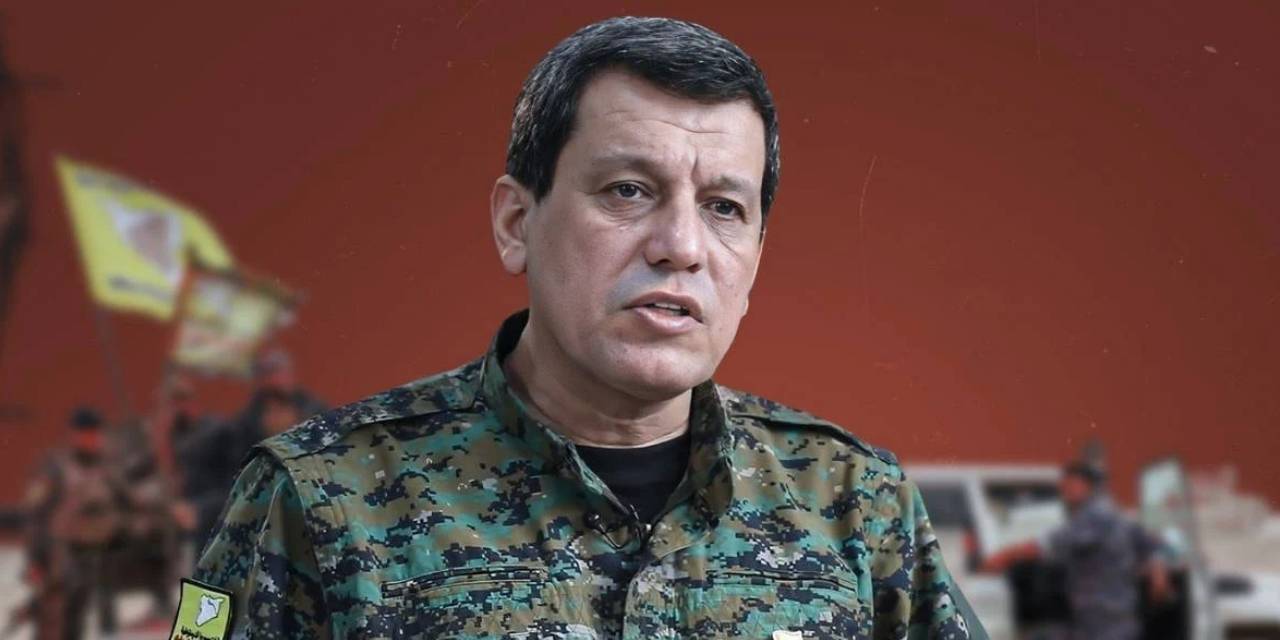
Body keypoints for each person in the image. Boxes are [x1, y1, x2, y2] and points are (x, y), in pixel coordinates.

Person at [185, 17, 985, 639]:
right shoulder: (319, 499)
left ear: (755, 260)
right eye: (629, 190)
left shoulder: (857, 504)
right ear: (516, 223)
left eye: (724, 208)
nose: (681, 246)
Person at [981, 460, 1170, 640]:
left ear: (1088, 486)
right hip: (1107, 620)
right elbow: (1152, 547)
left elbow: (1049, 544)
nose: (1066, 491)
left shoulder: (1095, 516)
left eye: (1072, 486)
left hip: (1105, 622)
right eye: (1064, 487)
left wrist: (1002, 557)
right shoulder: (1114, 514)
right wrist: (1159, 577)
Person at [177, 347, 325, 553]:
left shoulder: (317, 419)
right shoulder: (242, 430)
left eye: (277, 373)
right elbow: (236, 484)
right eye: (267, 375)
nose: (273, 381)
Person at [20, 407, 127, 639]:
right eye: (88, 434)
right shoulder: (55, 467)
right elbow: (35, 516)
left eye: (97, 434)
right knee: (53, 621)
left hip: (91, 556)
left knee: (76, 621)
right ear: (75, 435)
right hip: (58, 556)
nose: (94, 440)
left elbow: (124, 502)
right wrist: (35, 560)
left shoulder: (103, 466)